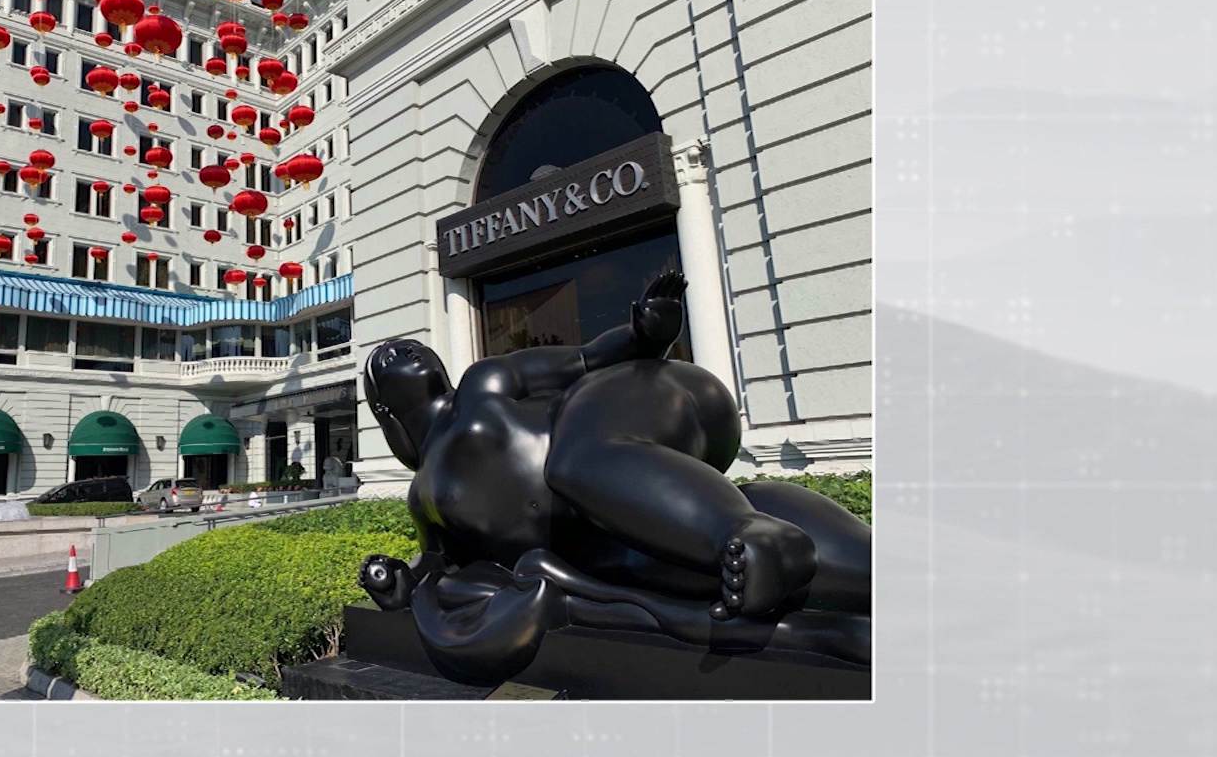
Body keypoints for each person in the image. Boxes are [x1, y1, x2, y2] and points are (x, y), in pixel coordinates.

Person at [358, 267, 872, 685]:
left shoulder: (483, 381)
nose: (403, 348)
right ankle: (806, 545)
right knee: (740, 550)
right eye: (386, 357)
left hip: (641, 401)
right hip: (645, 504)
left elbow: (584, 360)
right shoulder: (422, 495)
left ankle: (746, 534)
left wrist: (644, 334)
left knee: (575, 460)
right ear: (382, 407)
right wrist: (400, 584)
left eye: (410, 346)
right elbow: (439, 566)